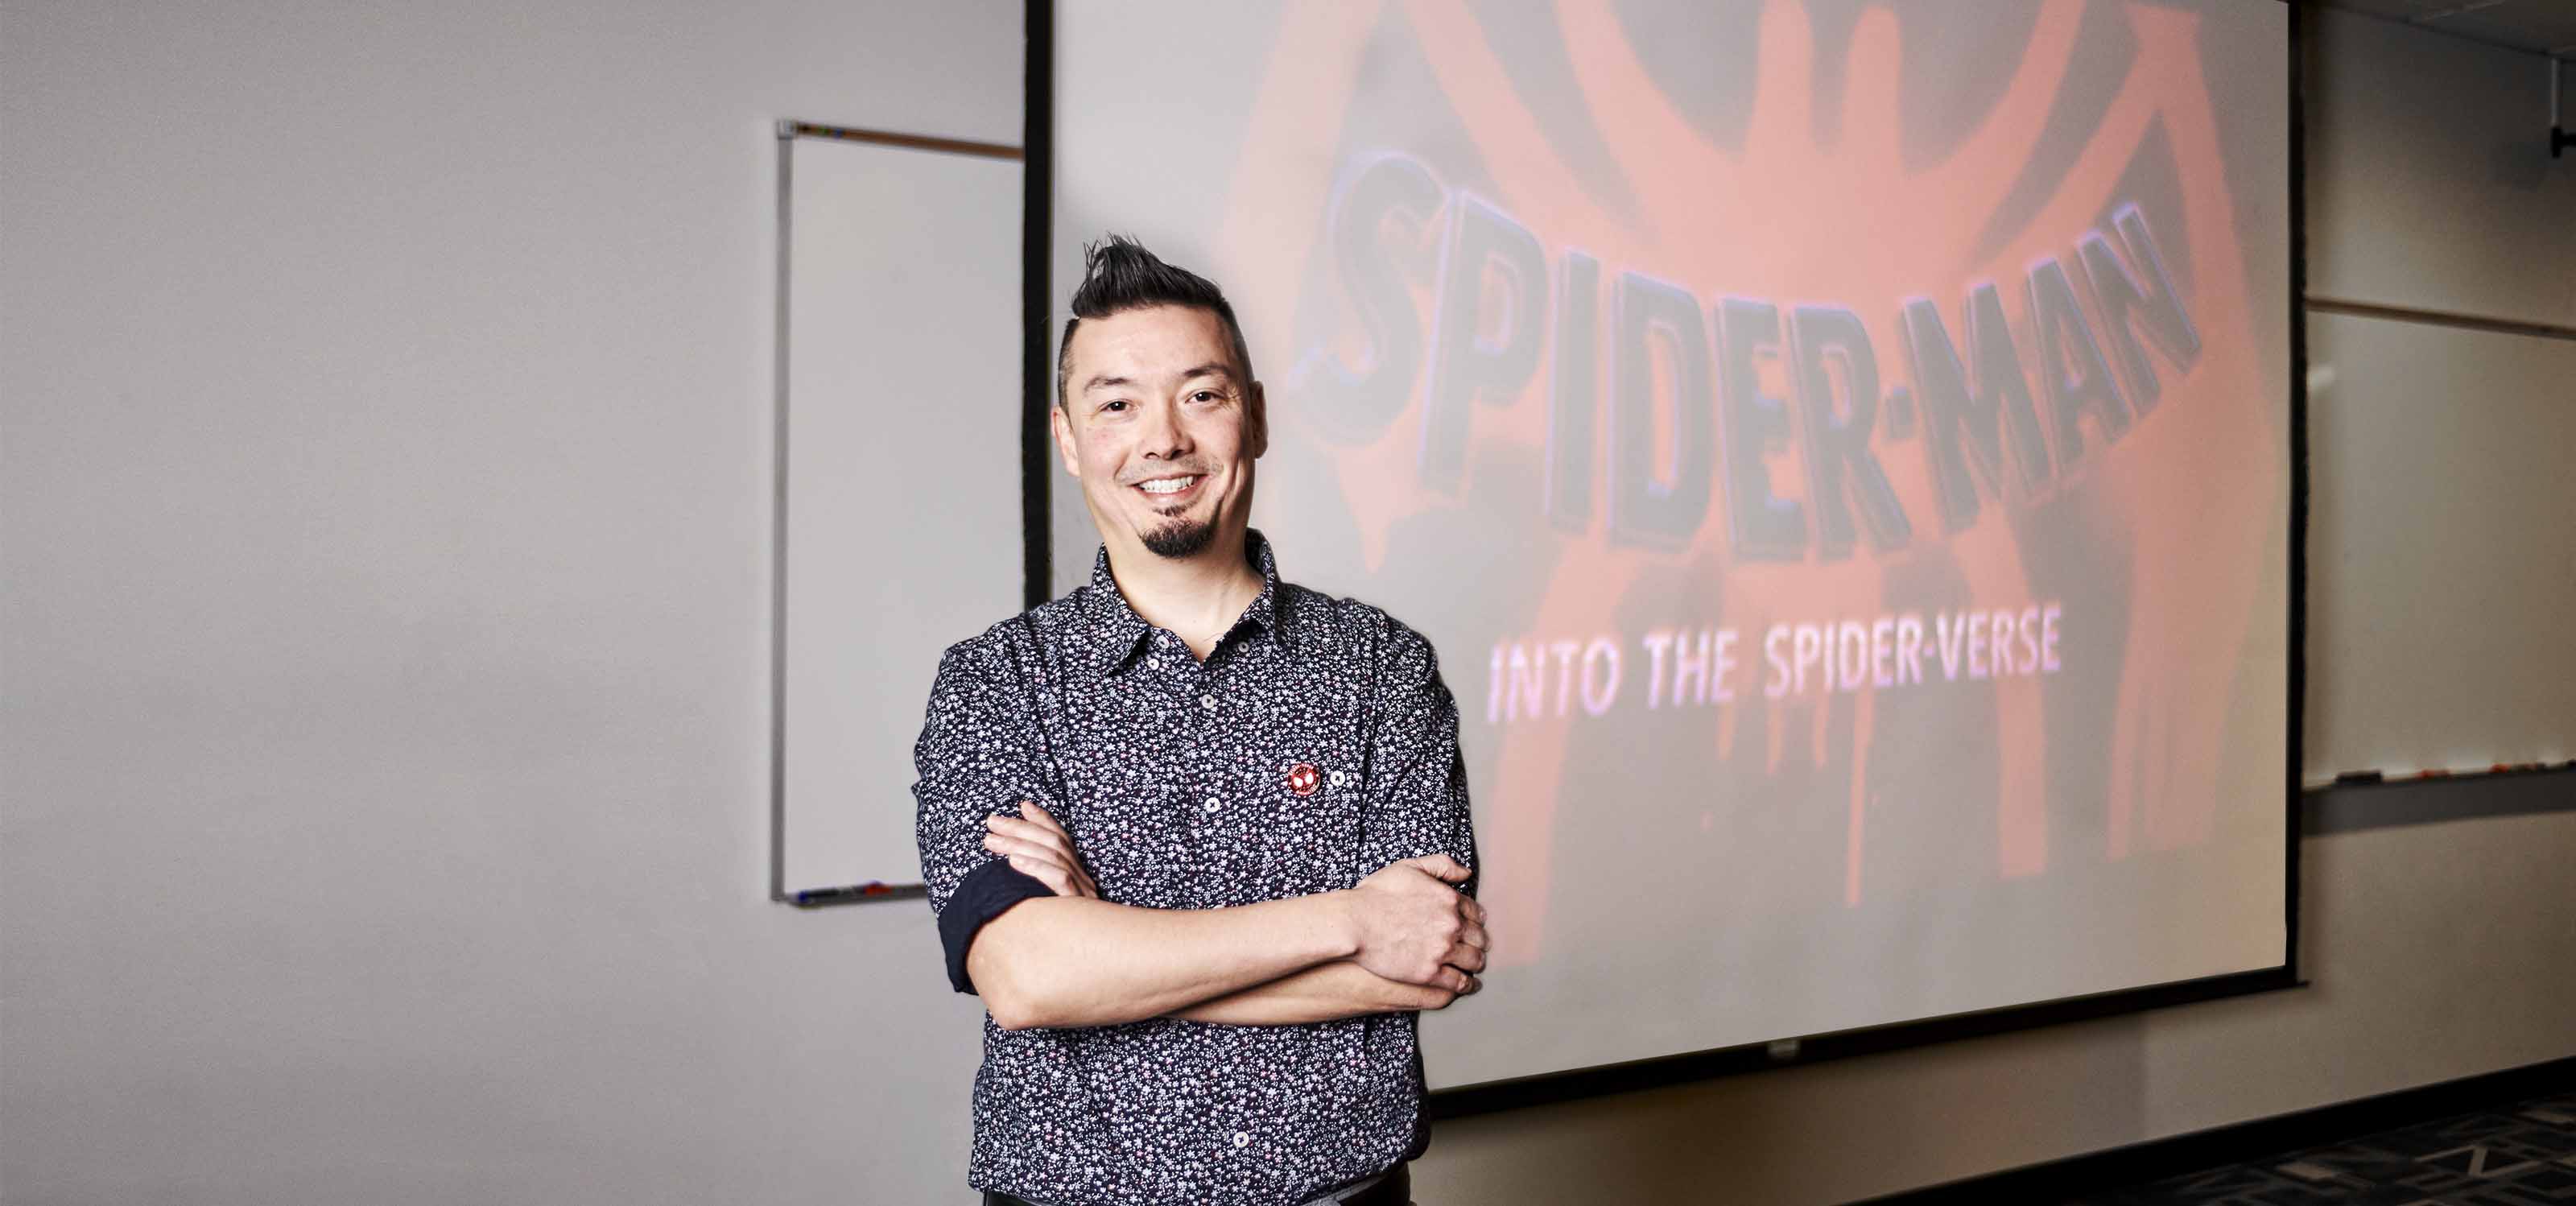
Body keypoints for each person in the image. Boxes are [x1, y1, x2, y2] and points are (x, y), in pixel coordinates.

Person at [910, 236, 1488, 1206]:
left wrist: (1108, 950)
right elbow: (1026, 977)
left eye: (1201, 394)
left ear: (1254, 415)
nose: (1163, 439)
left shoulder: (1382, 668)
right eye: (1117, 403)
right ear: (1068, 438)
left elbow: (1424, 958)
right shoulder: (992, 684)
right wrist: (1346, 922)